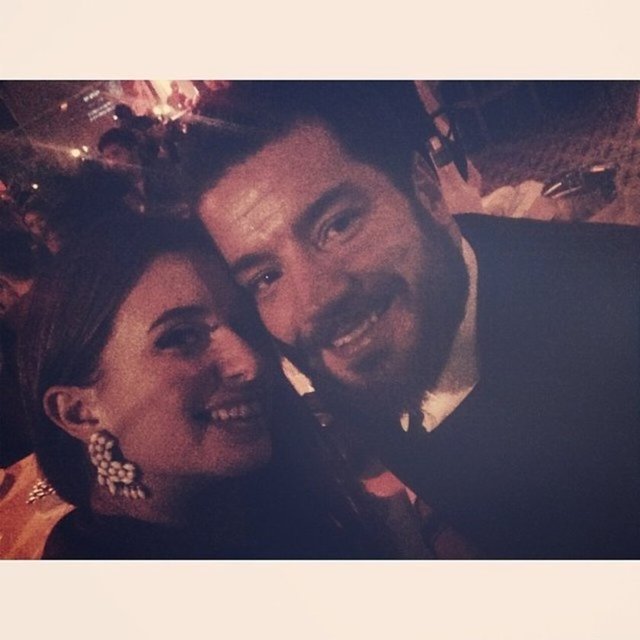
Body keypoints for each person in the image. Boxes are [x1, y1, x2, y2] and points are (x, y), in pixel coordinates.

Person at [184, 81, 640, 559]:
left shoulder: (616, 322)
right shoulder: (350, 353)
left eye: (338, 225)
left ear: (427, 191)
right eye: (266, 276)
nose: (314, 301)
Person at [18, 214, 406, 559]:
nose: (250, 363)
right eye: (181, 337)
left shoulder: (255, 492)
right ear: (79, 412)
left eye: (245, 322)